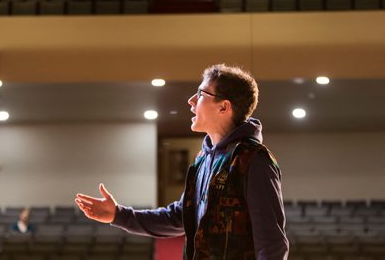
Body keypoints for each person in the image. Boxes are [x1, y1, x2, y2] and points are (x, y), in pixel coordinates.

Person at [75, 64, 289, 260]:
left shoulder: (254, 159)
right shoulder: (202, 160)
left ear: (224, 107)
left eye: (201, 94)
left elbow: (272, 246)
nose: (191, 101)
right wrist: (118, 215)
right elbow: (178, 217)